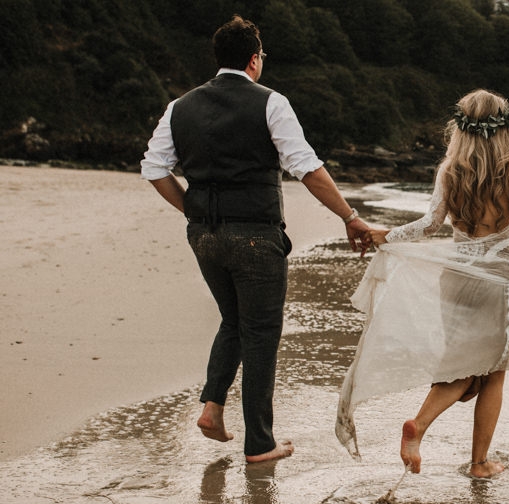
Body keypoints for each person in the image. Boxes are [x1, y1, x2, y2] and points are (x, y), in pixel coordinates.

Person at [141, 15, 370, 464]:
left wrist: (193, 208)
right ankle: (260, 443)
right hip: (255, 237)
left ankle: (212, 408)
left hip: (204, 236)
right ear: (253, 59)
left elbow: (153, 168)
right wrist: (350, 216)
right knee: (262, 333)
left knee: (235, 321)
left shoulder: (179, 106)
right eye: (262, 55)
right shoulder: (271, 102)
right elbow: (306, 167)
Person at [336, 89, 509, 479]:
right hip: (497, 276)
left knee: (459, 365)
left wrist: (387, 235)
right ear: (505, 129)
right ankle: (479, 463)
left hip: (456, 274)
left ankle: (420, 426)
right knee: (492, 374)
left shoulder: (450, 170)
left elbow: (430, 224)